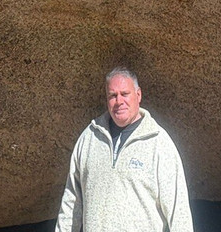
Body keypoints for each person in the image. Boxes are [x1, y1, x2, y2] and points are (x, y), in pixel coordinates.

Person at [55, 67, 194, 232]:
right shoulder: (89, 138)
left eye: (125, 94)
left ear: (138, 95)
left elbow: (179, 212)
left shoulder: (159, 143)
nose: (119, 101)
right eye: (112, 95)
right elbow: (71, 202)